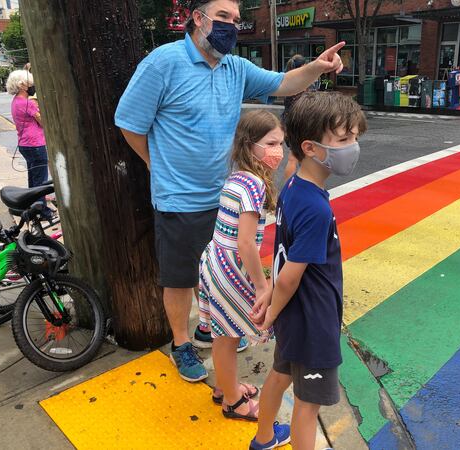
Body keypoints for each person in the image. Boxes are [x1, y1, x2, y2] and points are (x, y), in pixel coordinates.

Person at [115, 0, 346, 384]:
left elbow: (285, 83)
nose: (231, 26)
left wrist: (317, 67)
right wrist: (155, 165)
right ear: (197, 18)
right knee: (179, 276)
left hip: (223, 194)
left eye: (237, 20)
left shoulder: (235, 68)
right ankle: (182, 343)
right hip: (180, 197)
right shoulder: (162, 63)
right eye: (223, 17)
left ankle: (210, 326)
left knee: (217, 268)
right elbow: (129, 123)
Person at [249, 91, 367, 450]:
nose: (354, 146)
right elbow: (290, 275)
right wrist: (271, 310)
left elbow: (283, 254)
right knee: (307, 404)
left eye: (355, 137)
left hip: (295, 316)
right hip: (312, 320)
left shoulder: (293, 188)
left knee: (280, 374)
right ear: (311, 148)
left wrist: (272, 300)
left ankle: (264, 438)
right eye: (344, 139)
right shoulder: (315, 208)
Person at [198, 111, 287, 438]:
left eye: (281, 142)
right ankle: (233, 402)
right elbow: (246, 242)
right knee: (228, 335)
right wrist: (262, 285)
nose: (278, 150)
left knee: (224, 332)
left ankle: (226, 386)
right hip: (230, 267)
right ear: (250, 146)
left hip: (216, 260)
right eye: (271, 143)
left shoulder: (239, 176)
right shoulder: (254, 185)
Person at [6, 69, 54, 221]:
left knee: (33, 177)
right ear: (22, 85)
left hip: (25, 144)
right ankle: (41, 211)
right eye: (30, 83)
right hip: (36, 144)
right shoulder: (28, 103)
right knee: (40, 180)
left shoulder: (15, 102)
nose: (32, 86)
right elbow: (45, 122)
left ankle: (31, 206)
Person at [281, 54, 311, 181]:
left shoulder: (289, 80)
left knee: (297, 157)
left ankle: (293, 185)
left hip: (289, 123)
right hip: (299, 123)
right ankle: (292, 186)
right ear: (301, 66)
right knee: (297, 157)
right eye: (305, 66)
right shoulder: (300, 83)